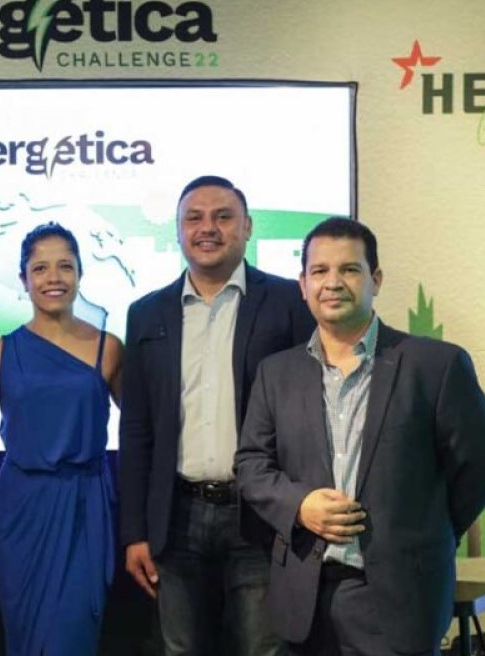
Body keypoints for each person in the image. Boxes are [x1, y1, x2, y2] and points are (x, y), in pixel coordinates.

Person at [235, 216, 485, 655]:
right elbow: (251, 466)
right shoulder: (276, 373)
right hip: (304, 595)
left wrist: (430, 527)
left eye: (349, 269)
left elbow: (481, 462)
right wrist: (299, 505)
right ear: (303, 285)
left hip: (399, 599)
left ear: (375, 280)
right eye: (319, 271)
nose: (332, 283)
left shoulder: (435, 366)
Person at [119, 175, 314, 656]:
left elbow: (311, 414)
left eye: (223, 217)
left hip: (260, 514)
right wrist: (135, 532)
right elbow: (137, 429)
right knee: (181, 649)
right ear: (178, 230)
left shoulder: (289, 302)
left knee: (263, 649)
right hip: (175, 517)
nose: (208, 228)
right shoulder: (146, 313)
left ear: (247, 228)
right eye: (194, 218)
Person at [0, 222, 122, 655]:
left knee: (72, 635)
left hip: (85, 508)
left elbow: (143, 432)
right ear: (23, 279)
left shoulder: (109, 348)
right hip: (21, 510)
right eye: (40, 268)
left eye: (65, 266)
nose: (53, 278)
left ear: (80, 273)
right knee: (24, 637)